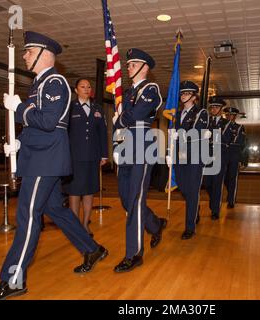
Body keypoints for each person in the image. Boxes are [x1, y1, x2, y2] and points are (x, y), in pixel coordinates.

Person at [0, 31, 108, 300]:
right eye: (24, 51)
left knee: (27, 217)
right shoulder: (39, 83)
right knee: (55, 210)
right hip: (39, 156)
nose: (24, 55)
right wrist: (21, 143)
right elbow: (41, 128)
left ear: (44, 54)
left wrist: (19, 108)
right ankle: (91, 248)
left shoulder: (55, 82)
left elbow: (49, 122)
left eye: (29, 51)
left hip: (45, 162)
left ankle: (13, 280)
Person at [112, 48, 167, 272]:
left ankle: (133, 254)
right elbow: (125, 119)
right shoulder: (127, 93)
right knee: (126, 199)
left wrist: (120, 119)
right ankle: (155, 224)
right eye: (128, 64)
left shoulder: (150, 88)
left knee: (134, 200)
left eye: (133, 64)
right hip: (126, 146)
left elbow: (133, 116)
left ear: (145, 68)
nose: (129, 67)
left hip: (142, 147)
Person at [65, 78, 108, 235]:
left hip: (92, 156)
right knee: (75, 191)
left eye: (88, 86)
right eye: (82, 86)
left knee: (89, 191)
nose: (86, 89)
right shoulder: (70, 108)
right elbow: (64, 133)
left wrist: (104, 154)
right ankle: (75, 225)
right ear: (76, 90)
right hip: (74, 157)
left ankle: (85, 224)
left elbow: (102, 133)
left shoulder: (98, 108)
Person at [171, 80, 209, 239]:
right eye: (182, 93)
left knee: (192, 191)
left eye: (187, 93)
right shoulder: (178, 114)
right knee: (183, 187)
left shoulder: (201, 113)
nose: (183, 96)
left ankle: (189, 227)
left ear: (194, 97)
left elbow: (197, 133)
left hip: (194, 156)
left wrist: (180, 135)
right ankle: (196, 207)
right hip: (180, 156)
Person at [203, 97, 232, 220]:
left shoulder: (227, 124)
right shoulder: (206, 122)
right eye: (212, 107)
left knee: (217, 184)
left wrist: (214, 134)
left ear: (221, 109)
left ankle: (215, 210)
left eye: (216, 107)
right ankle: (213, 200)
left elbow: (227, 140)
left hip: (220, 156)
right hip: (207, 157)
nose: (213, 109)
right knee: (207, 184)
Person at [223, 107, 245, 209]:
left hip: (233, 155)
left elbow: (239, 143)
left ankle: (231, 200)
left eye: (231, 115)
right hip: (223, 154)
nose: (228, 116)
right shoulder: (221, 126)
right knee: (224, 179)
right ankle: (230, 193)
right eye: (227, 114)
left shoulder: (239, 127)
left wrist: (240, 159)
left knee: (232, 178)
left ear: (235, 116)